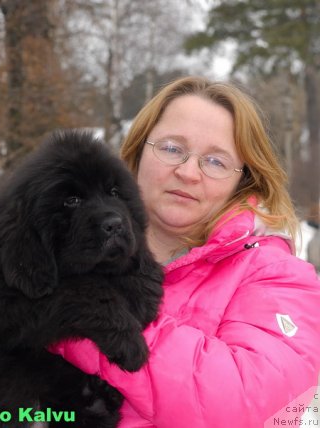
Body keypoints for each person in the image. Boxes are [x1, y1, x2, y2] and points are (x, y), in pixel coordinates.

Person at [50, 76, 320, 427]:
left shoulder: (278, 277)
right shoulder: (57, 238)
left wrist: (84, 312)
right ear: (137, 151)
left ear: (244, 180)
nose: (188, 172)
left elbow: (248, 405)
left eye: (216, 162)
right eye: (172, 148)